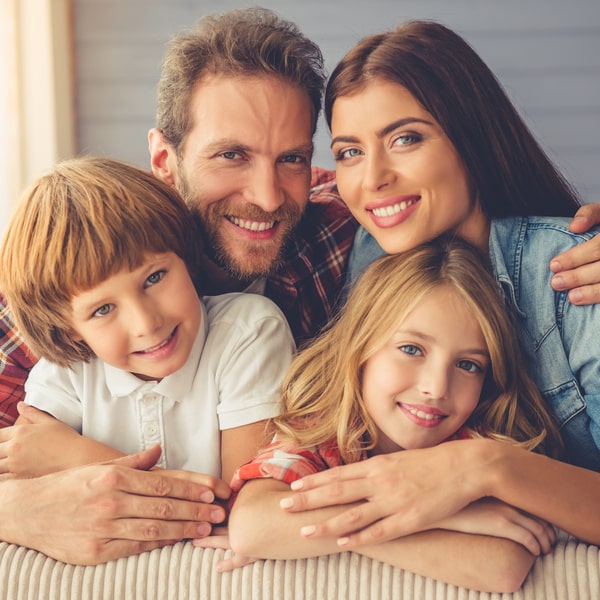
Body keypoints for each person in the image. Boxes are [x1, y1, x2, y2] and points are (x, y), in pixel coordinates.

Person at [0, 7, 599, 566]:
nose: (267, 196)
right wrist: (16, 508)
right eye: (231, 154)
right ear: (164, 159)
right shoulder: (78, 269)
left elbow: (453, 206)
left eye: (291, 159)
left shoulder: (349, 229)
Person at [275, 20, 600, 550]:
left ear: (472, 136)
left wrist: (487, 467)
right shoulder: (345, 249)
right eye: (350, 151)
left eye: (405, 138)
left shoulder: (576, 276)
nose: (372, 178)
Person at [205, 237, 560, 592]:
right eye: (411, 349)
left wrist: (310, 535)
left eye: (468, 364)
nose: (436, 388)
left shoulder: (476, 445)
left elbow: (502, 566)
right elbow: (253, 526)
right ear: (361, 348)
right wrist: (450, 517)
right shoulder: (323, 435)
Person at [0, 156, 294, 485]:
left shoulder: (248, 333)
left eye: (154, 278)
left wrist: (81, 457)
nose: (146, 324)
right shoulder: (68, 372)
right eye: (102, 310)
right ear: (70, 329)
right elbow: (28, 483)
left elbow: (240, 504)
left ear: (185, 257)